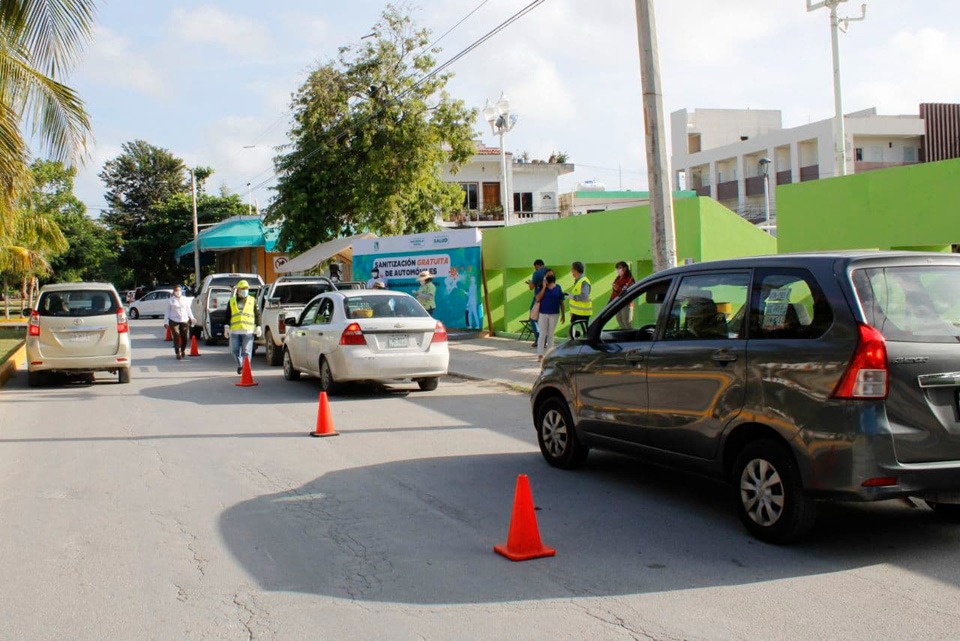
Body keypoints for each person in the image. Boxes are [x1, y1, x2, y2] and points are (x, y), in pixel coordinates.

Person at [228, 280, 257, 374]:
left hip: (247, 330)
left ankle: (246, 369)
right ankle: (240, 365)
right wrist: (226, 326)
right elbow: (227, 315)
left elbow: (257, 314)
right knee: (234, 350)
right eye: (243, 289)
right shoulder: (232, 301)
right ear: (238, 290)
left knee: (246, 351)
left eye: (246, 289)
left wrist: (258, 326)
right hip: (235, 330)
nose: (245, 290)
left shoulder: (252, 300)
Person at [535, 271, 565, 359]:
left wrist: (563, 314)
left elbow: (561, 302)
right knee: (542, 334)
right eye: (548, 275)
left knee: (551, 334)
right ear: (545, 277)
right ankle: (540, 355)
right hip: (543, 314)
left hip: (554, 314)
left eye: (551, 274)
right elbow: (537, 298)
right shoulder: (540, 287)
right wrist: (544, 287)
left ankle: (550, 355)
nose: (550, 276)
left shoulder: (558, 287)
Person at [164, 285, 196, 360]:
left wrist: (192, 317)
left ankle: (183, 350)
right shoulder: (170, 300)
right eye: (176, 291)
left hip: (184, 320)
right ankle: (177, 353)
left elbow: (188, 309)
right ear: (174, 292)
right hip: (173, 320)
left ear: (181, 291)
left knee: (184, 336)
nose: (178, 292)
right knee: (176, 335)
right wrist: (166, 322)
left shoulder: (185, 299)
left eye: (179, 291)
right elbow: (167, 311)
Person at [526, 259, 547, 347]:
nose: (535, 269)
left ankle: (539, 339)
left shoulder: (537, 273)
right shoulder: (550, 272)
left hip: (538, 297)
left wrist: (530, 283)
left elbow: (531, 287)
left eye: (535, 267)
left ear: (537, 265)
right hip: (549, 298)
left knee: (533, 317)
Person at [610, 261, 636, 329]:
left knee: (626, 322)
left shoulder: (630, 279)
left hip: (627, 304)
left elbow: (630, 292)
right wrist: (610, 301)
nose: (618, 270)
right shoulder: (617, 279)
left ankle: (631, 338)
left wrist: (619, 289)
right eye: (617, 268)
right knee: (620, 321)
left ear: (625, 268)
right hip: (618, 303)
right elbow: (614, 293)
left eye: (620, 268)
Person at [567, 261, 592, 325]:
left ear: (576, 270)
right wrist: (570, 295)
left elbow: (584, 296)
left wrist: (572, 297)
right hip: (577, 312)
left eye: (572, 269)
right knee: (572, 330)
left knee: (574, 331)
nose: (571, 271)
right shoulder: (578, 281)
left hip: (582, 313)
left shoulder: (584, 281)